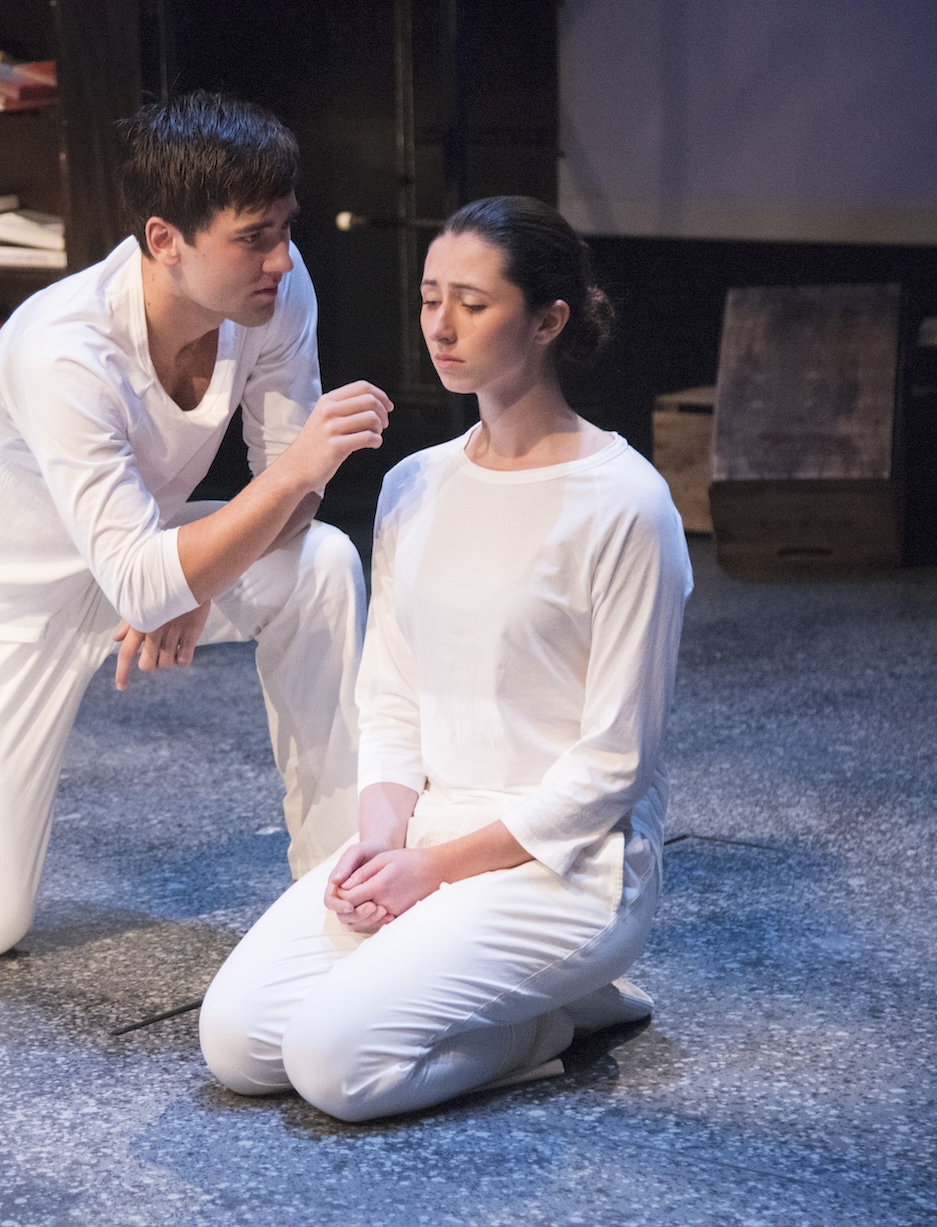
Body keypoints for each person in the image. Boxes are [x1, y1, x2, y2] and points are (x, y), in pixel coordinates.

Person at [0, 93, 393, 961]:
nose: (282, 259)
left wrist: (190, 572)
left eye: (286, 228)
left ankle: (335, 879)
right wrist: (200, 549)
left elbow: (294, 508)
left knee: (322, 563)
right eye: (253, 236)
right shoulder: (63, 348)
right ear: (163, 239)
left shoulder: (275, 295)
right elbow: (285, 478)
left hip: (136, 545)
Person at [200, 195, 693, 1122]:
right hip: (426, 837)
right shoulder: (414, 482)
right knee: (237, 1044)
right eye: (430, 297)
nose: (440, 324)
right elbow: (390, 694)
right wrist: (381, 839)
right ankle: (514, 993)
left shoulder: (626, 503)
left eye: (472, 301)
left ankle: (556, 1017)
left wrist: (436, 870)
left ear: (548, 320)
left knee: (333, 1068)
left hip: (566, 864)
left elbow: (615, 767)